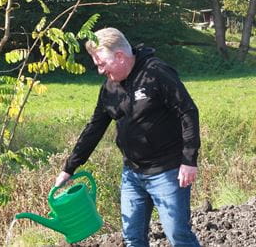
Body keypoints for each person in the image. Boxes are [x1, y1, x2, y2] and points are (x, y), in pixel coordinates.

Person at [55, 27, 201, 247]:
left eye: (101, 64)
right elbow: (94, 128)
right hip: (132, 174)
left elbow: (187, 111)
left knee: (177, 235)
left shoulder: (156, 72)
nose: (100, 71)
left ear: (120, 56)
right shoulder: (110, 88)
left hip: (168, 172)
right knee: (132, 237)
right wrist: (69, 168)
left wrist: (189, 160)